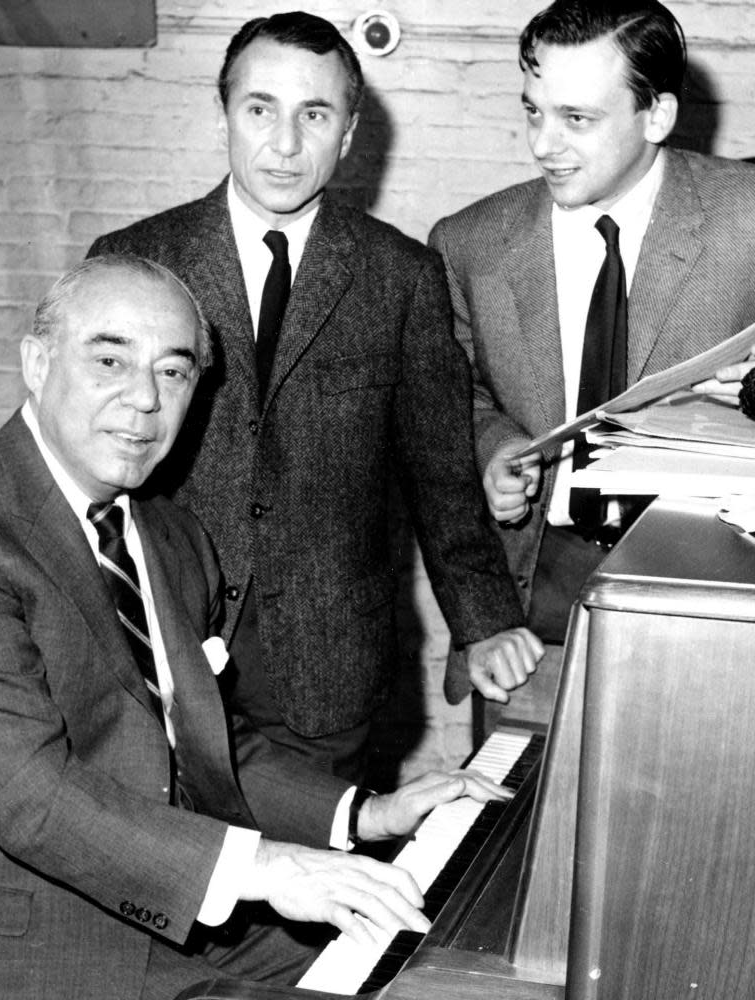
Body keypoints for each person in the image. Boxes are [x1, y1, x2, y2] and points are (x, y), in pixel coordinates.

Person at [0, 255, 519, 1000]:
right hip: (43, 941)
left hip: (190, 909)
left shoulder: (169, 533)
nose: (143, 400)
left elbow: (207, 740)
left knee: (451, 973)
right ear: (36, 362)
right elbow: (23, 787)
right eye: (110, 359)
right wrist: (265, 867)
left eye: (174, 372)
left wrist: (369, 814)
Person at [88, 11, 543, 782]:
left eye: (315, 114)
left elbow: (440, 475)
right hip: (157, 643)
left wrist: (487, 623)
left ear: (351, 131)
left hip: (329, 667)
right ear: (225, 113)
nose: (285, 144)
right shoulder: (134, 261)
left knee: (312, 875)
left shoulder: (400, 277)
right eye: (260, 109)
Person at [429, 0, 755, 678]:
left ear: (657, 115)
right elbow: (457, 394)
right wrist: (497, 447)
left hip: (717, 590)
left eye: (577, 118)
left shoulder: (745, 217)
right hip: (533, 594)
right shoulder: (468, 243)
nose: (543, 143)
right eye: (533, 110)